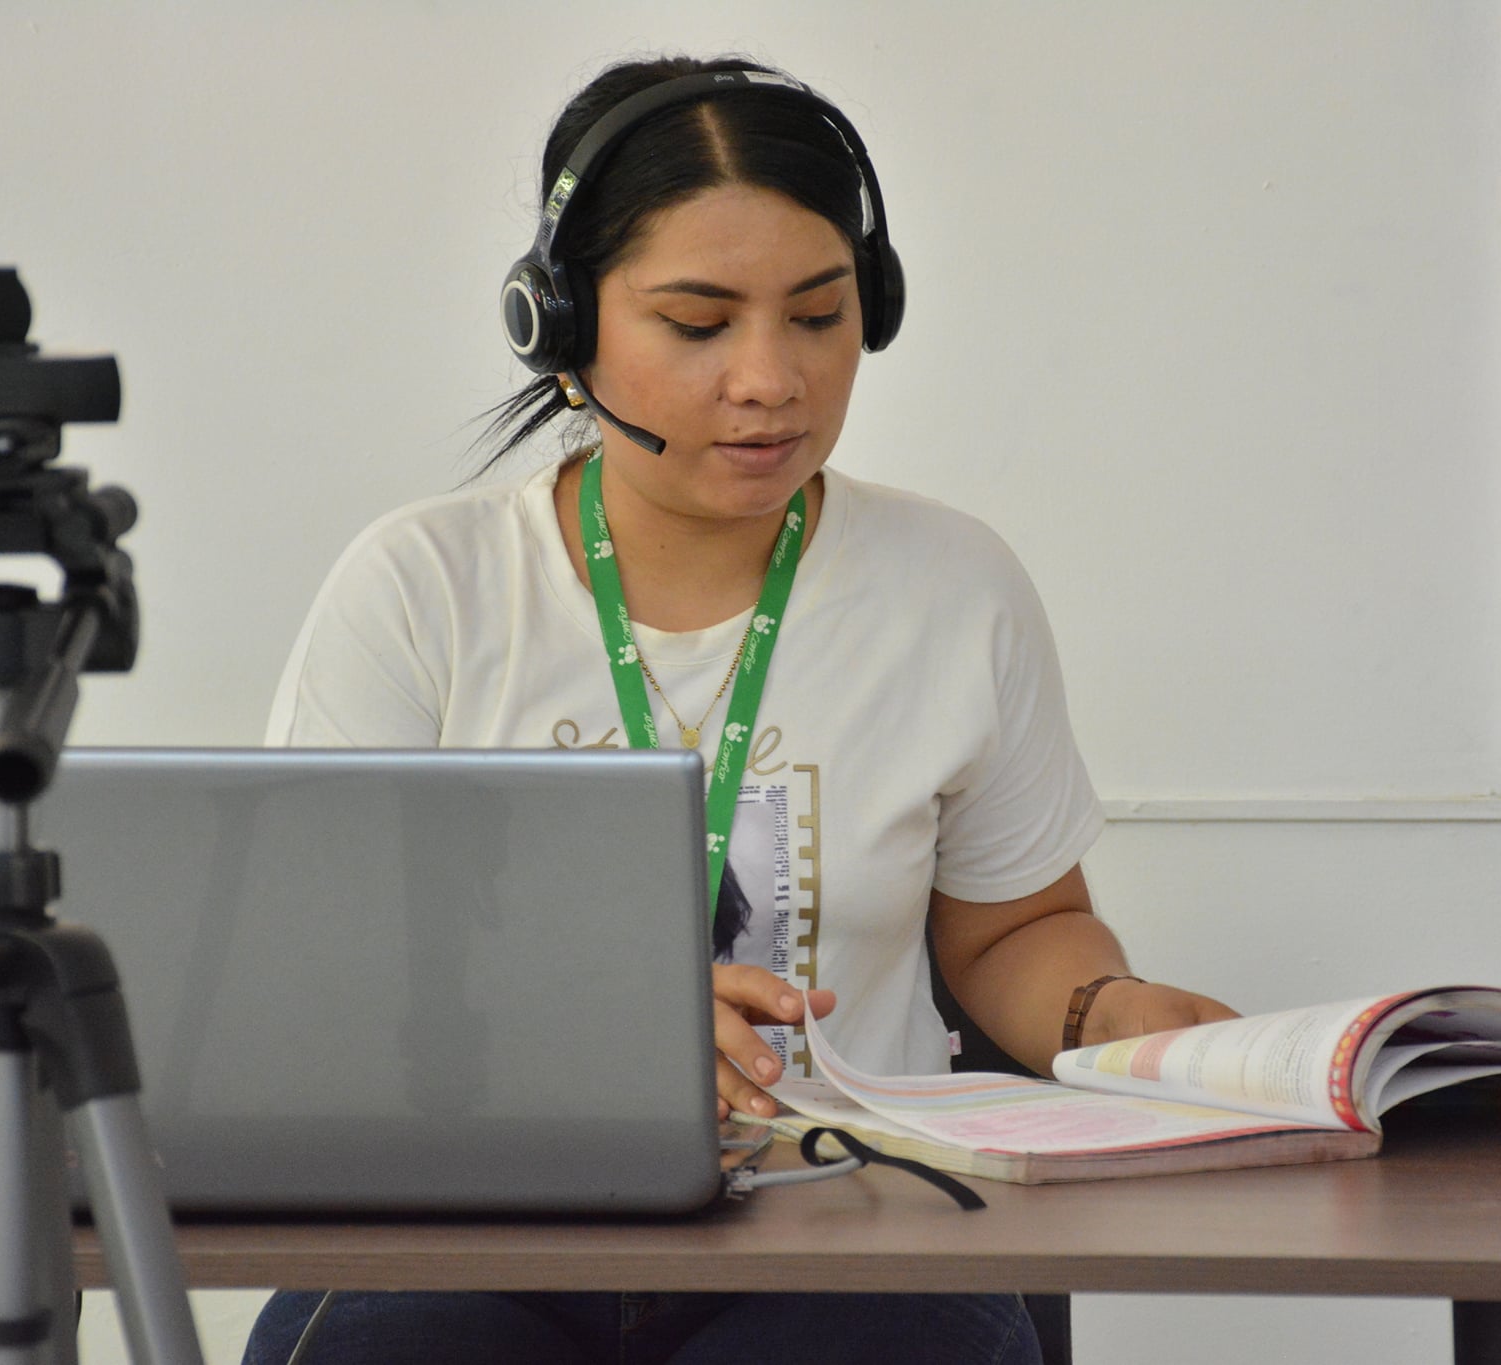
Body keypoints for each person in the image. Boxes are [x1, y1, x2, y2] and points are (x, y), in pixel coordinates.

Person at [246, 53, 1234, 1365]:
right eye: (700, 325)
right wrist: (589, 1036)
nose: (771, 378)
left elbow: (1014, 931)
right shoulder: (421, 591)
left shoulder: (954, 586)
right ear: (562, 324)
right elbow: (314, 993)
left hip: (855, 1226)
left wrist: (1105, 1013)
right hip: (481, 1226)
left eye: (819, 315)